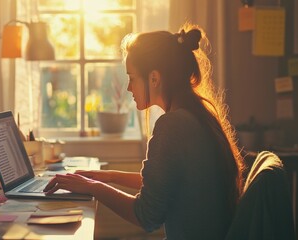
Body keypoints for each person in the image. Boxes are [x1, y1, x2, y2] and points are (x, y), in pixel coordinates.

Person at [43, 23, 244, 240]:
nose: (129, 88)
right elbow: (166, 183)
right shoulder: (198, 115)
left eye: (132, 77)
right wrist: (108, 176)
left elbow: (146, 216)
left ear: (154, 78)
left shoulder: (172, 126)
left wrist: (93, 187)